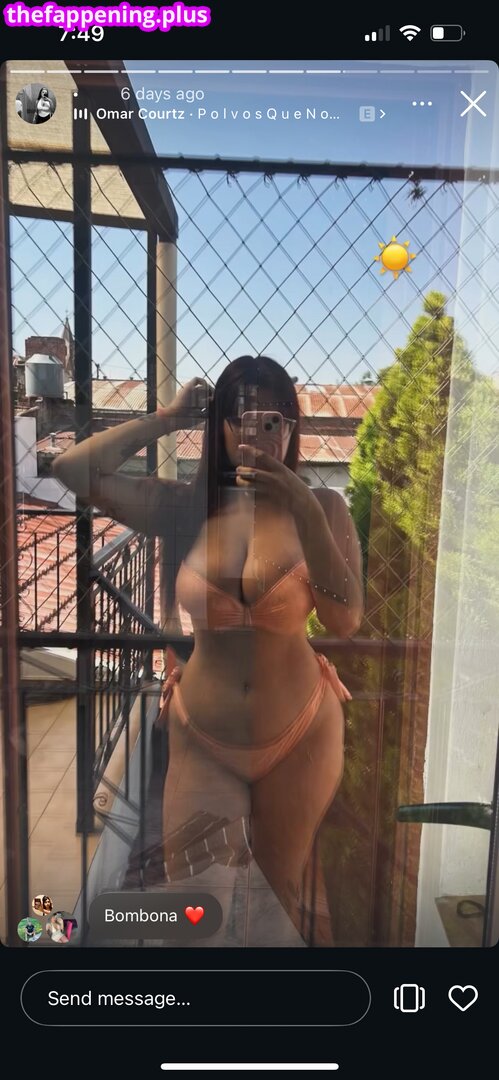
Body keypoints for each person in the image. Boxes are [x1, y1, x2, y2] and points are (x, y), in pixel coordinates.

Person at [52, 356, 364, 945]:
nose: (258, 430)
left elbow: (345, 619)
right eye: (241, 415)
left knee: (281, 896)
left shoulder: (324, 509)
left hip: (300, 733)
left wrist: (302, 506)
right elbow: (71, 468)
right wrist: (167, 418)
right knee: (196, 902)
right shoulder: (186, 506)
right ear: (218, 424)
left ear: (292, 427)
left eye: (274, 418)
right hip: (203, 734)